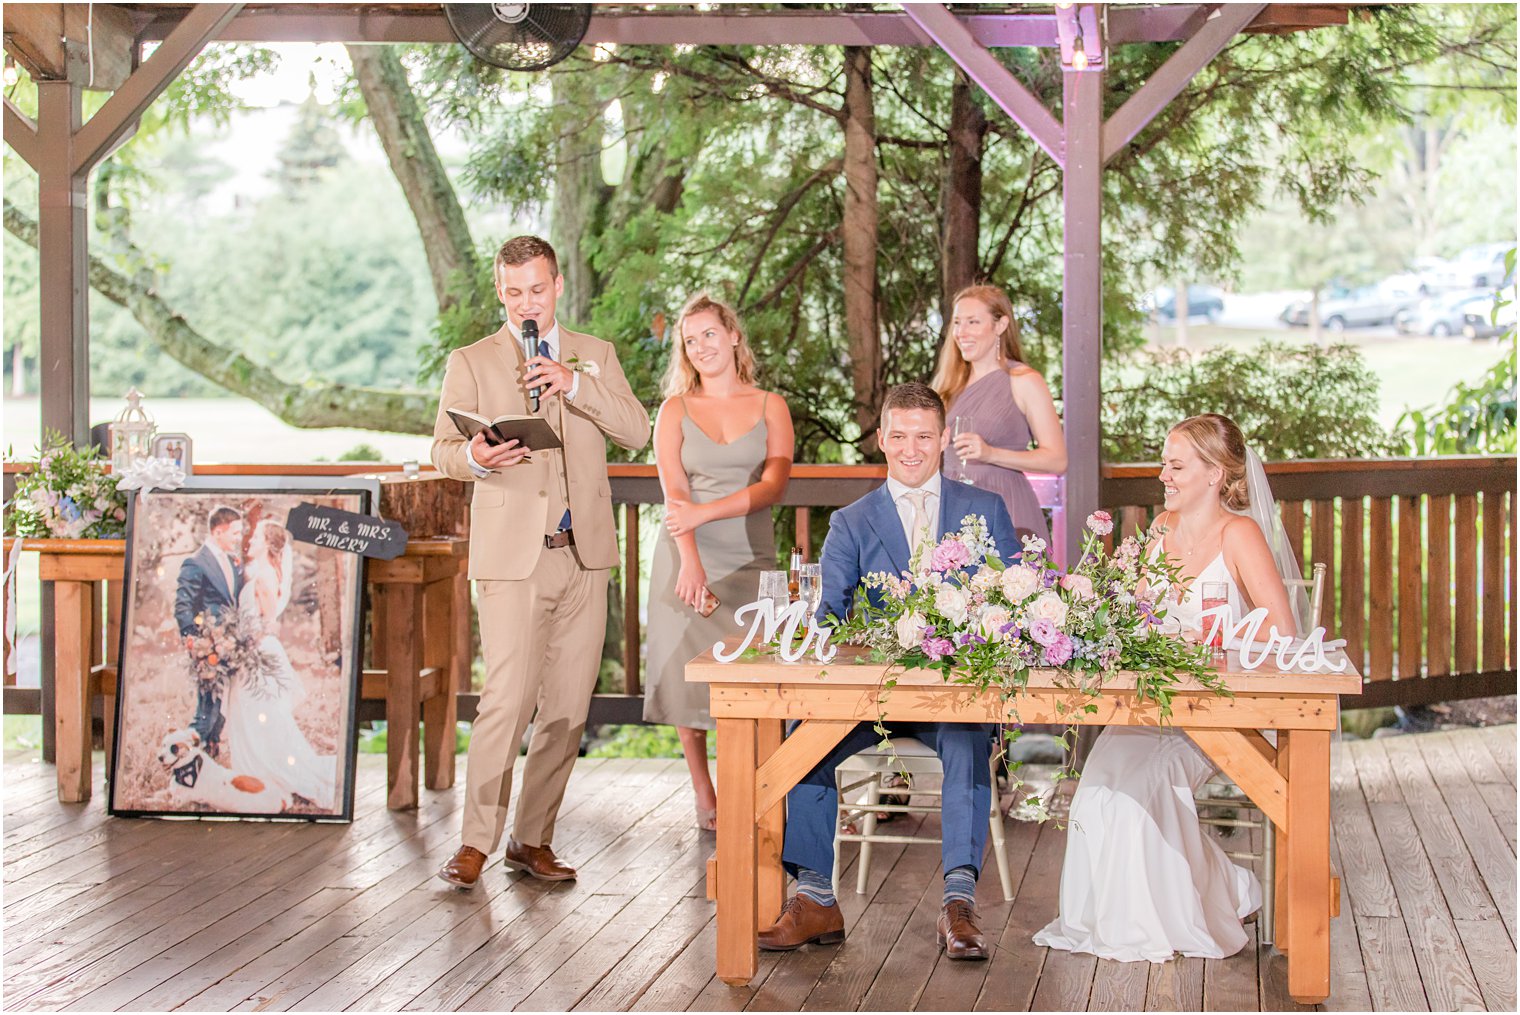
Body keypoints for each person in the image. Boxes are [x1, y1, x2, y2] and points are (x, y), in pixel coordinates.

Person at [757, 383, 1020, 961]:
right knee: (801, 743)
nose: (910, 448)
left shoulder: (986, 511)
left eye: (923, 435)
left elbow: (1019, 603)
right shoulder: (851, 521)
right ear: (880, 438)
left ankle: (958, 901)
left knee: (967, 741)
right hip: (868, 698)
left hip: (953, 698)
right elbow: (827, 614)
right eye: (898, 435)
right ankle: (816, 897)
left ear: (944, 438)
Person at [1033, 412, 1305, 962]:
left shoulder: (1240, 534)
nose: (1164, 475)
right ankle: (1212, 891)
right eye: (1164, 464)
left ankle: (1166, 918)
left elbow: (1285, 634)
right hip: (1148, 705)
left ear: (1213, 473)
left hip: (1214, 711)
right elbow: (1128, 618)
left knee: (1137, 796)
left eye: (1176, 465)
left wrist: (1217, 645)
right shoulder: (1159, 531)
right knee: (1096, 790)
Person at [431, 235, 651, 889]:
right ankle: (475, 842)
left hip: (584, 556)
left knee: (566, 710)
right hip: (511, 561)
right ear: (501, 291)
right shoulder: (469, 360)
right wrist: (475, 459)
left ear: (558, 286)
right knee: (506, 701)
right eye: (514, 290)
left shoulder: (596, 355)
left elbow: (636, 431)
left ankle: (533, 839)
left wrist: (574, 383)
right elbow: (442, 449)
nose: (527, 301)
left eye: (538, 288)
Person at [645, 293, 794, 830]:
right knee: (689, 676)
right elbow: (674, 494)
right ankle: (705, 793)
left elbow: (773, 485)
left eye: (709, 333)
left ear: (733, 335)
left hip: (750, 554)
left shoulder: (770, 405)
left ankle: (752, 785)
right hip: (687, 555)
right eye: (690, 340)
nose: (701, 346)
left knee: (754, 673)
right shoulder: (674, 410)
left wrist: (707, 514)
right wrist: (690, 562)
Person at [930, 284, 1066, 545]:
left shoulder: (1024, 380)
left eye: (973, 322)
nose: (961, 332)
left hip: (1007, 509)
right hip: (954, 509)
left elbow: (1057, 460)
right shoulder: (947, 385)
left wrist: (991, 454)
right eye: (957, 322)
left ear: (1001, 325)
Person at [225, 519, 337, 810]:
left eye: (258, 537)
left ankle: (272, 772)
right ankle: (253, 773)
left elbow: (268, 621)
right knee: (251, 716)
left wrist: (242, 645)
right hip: (250, 652)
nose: (251, 541)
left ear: (269, 544)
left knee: (263, 718)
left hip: (256, 652)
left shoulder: (263, 577)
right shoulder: (257, 572)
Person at [174, 505, 245, 757]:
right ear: (217, 531)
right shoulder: (195, 563)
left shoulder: (231, 560)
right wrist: (195, 641)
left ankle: (209, 757)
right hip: (209, 647)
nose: (239, 538)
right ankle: (185, 757)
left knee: (223, 707)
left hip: (230, 645)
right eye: (235, 533)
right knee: (208, 707)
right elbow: (184, 606)